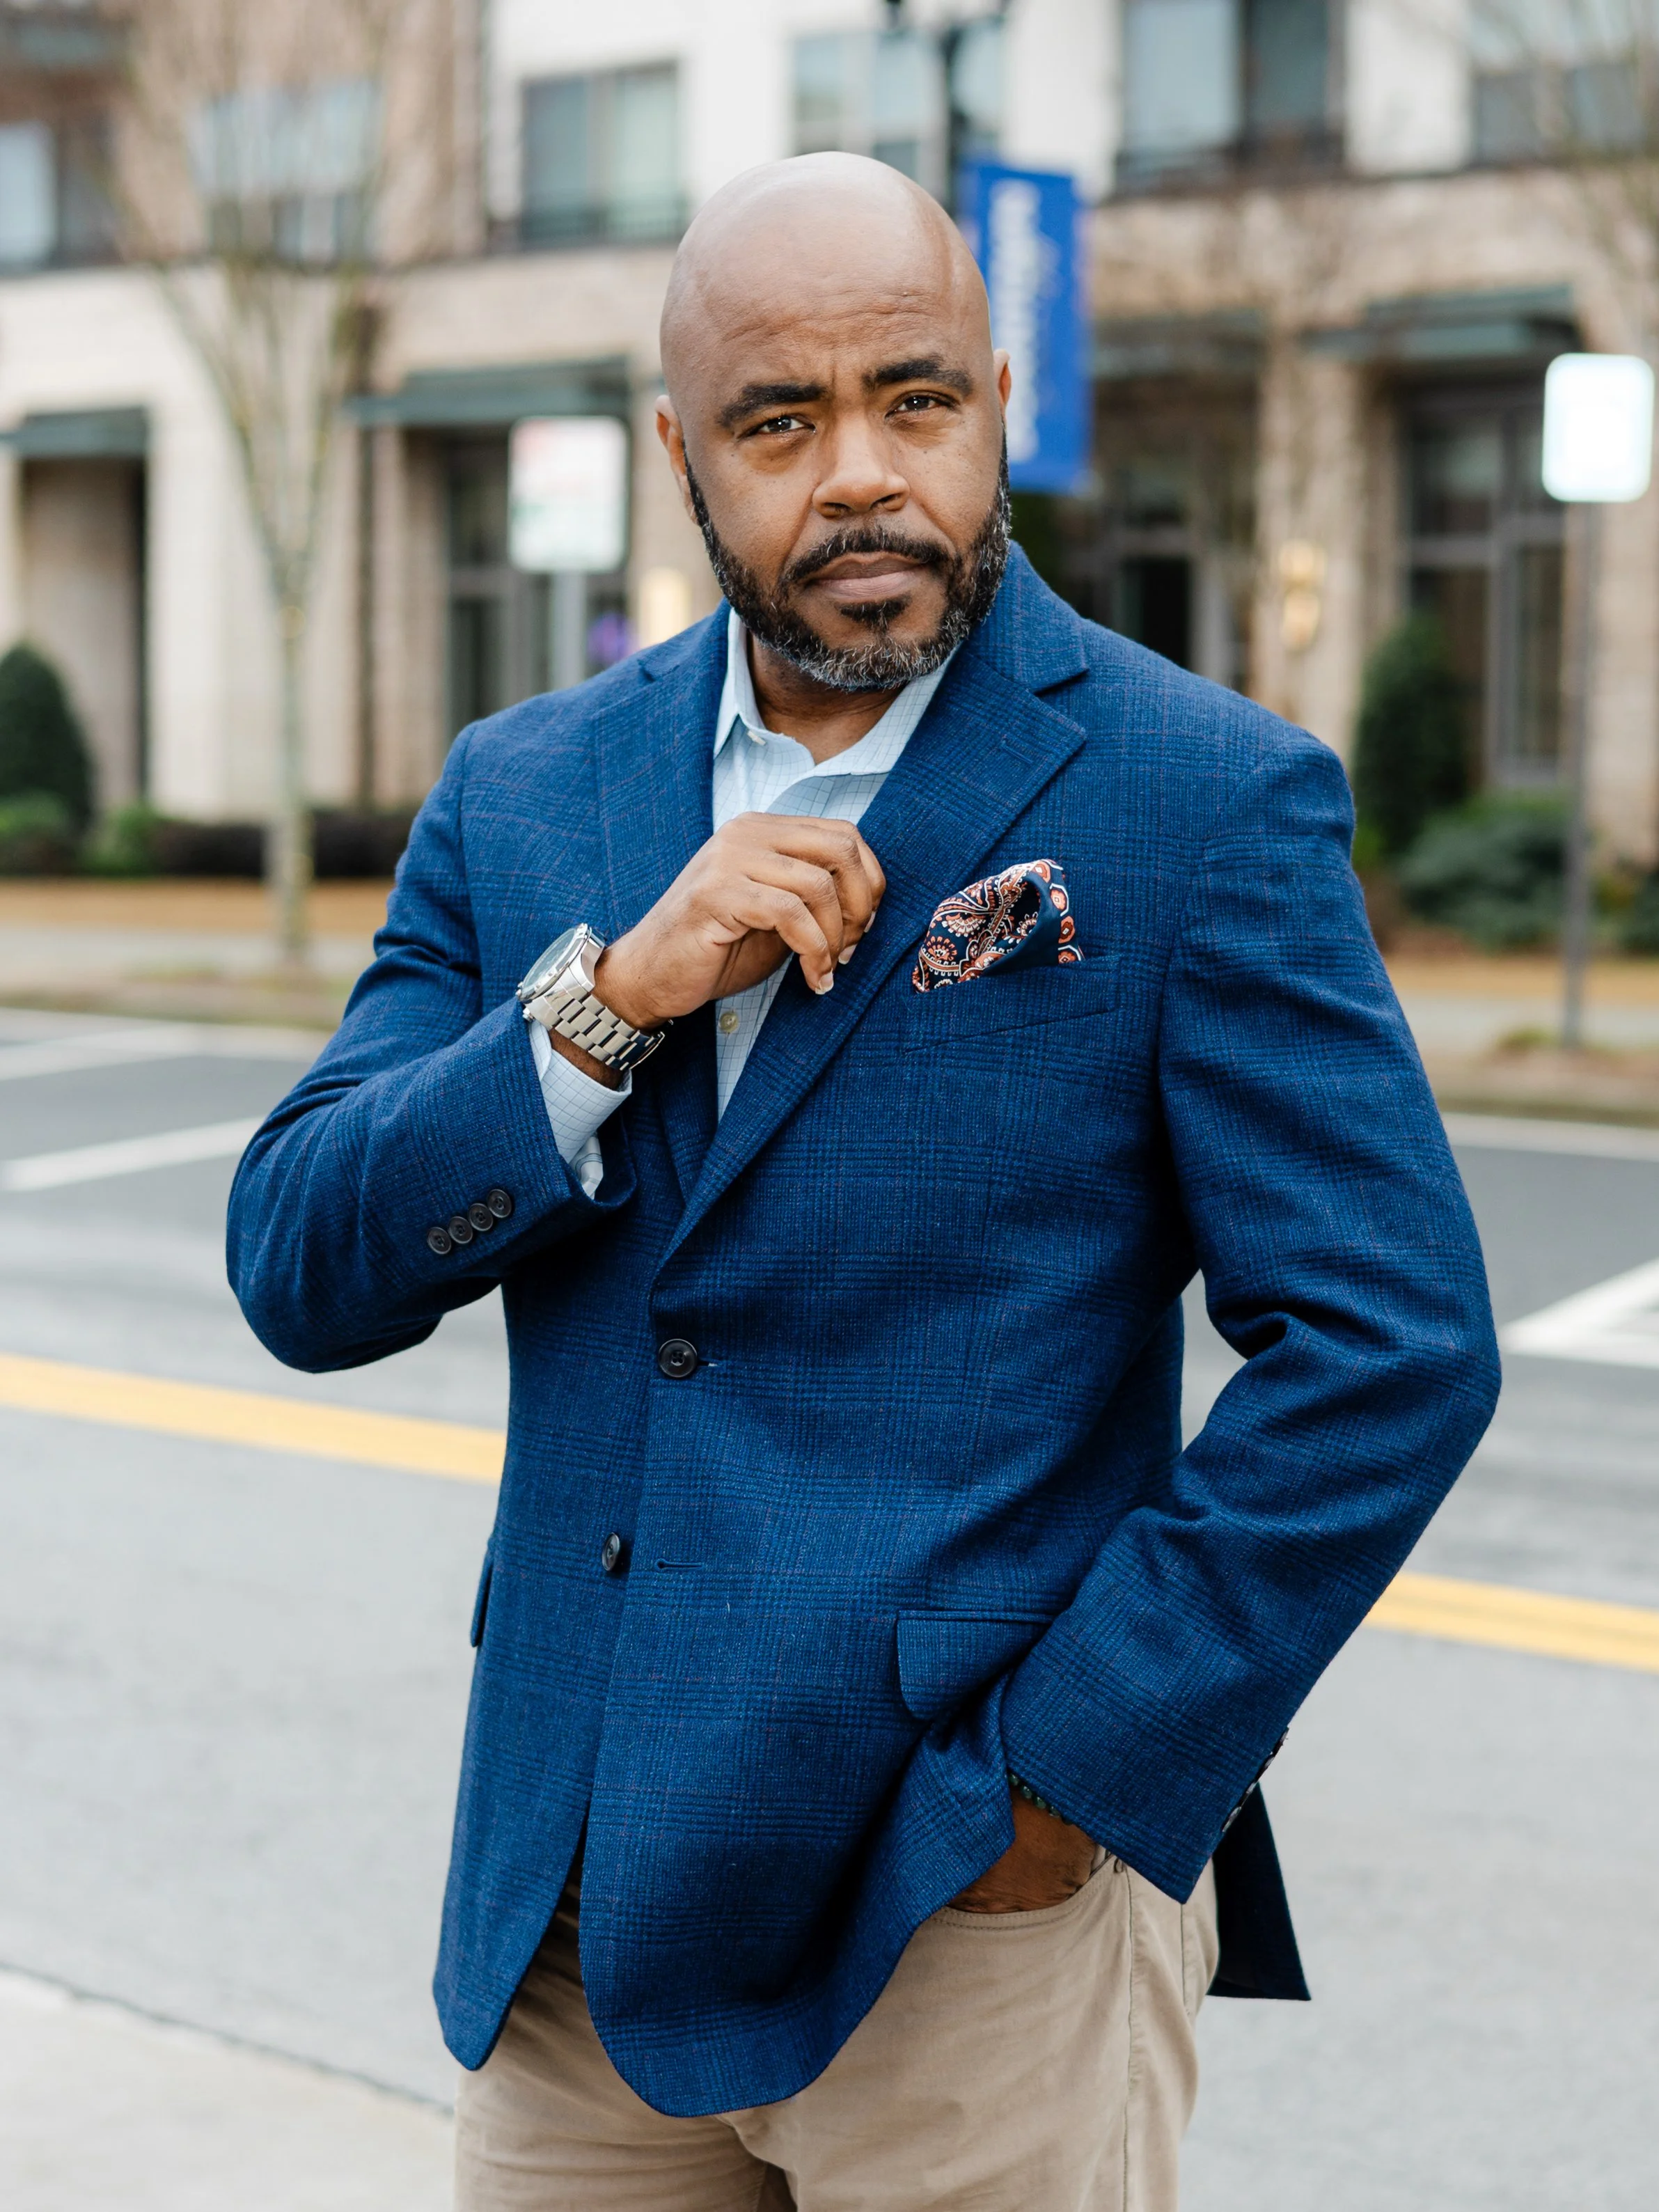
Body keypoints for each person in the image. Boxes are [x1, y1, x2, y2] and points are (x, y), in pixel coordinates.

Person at [228, 152, 1498, 2210]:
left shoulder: (1200, 798)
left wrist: (1066, 1786)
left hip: (965, 1924)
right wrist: (610, 1002)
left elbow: (1393, 1348)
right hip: (579, 1918)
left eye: (915, 400)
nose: (860, 478)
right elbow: (301, 1258)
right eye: (777, 421)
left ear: (997, 394)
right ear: (682, 455)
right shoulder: (528, 792)